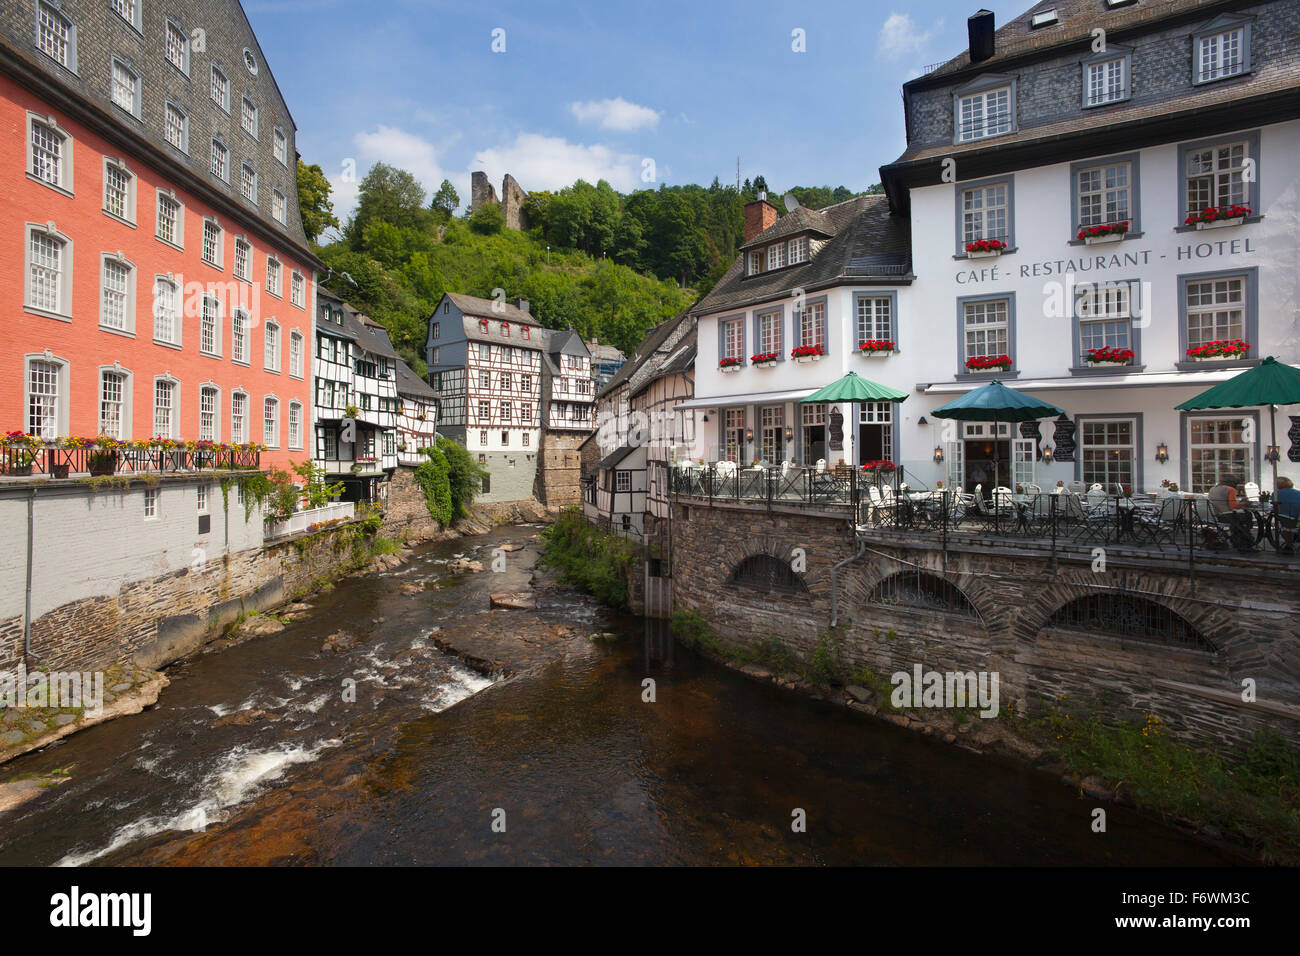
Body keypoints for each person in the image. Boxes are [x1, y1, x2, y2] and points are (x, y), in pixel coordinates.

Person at [1208, 474, 1255, 551]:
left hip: (1218, 515)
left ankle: (1237, 538)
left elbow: (1226, 503)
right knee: (1248, 515)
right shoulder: (1230, 489)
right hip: (1228, 516)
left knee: (1241, 519)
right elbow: (1233, 506)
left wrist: (1239, 503)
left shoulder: (1213, 489)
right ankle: (1245, 539)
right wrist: (1244, 503)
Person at [1273, 476, 1300, 554]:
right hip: (1297, 517)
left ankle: (1289, 545)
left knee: (1285, 527)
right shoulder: (1298, 493)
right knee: (1289, 527)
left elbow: (1275, 508)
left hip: (1284, 517)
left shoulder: (1276, 494)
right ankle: (1290, 544)